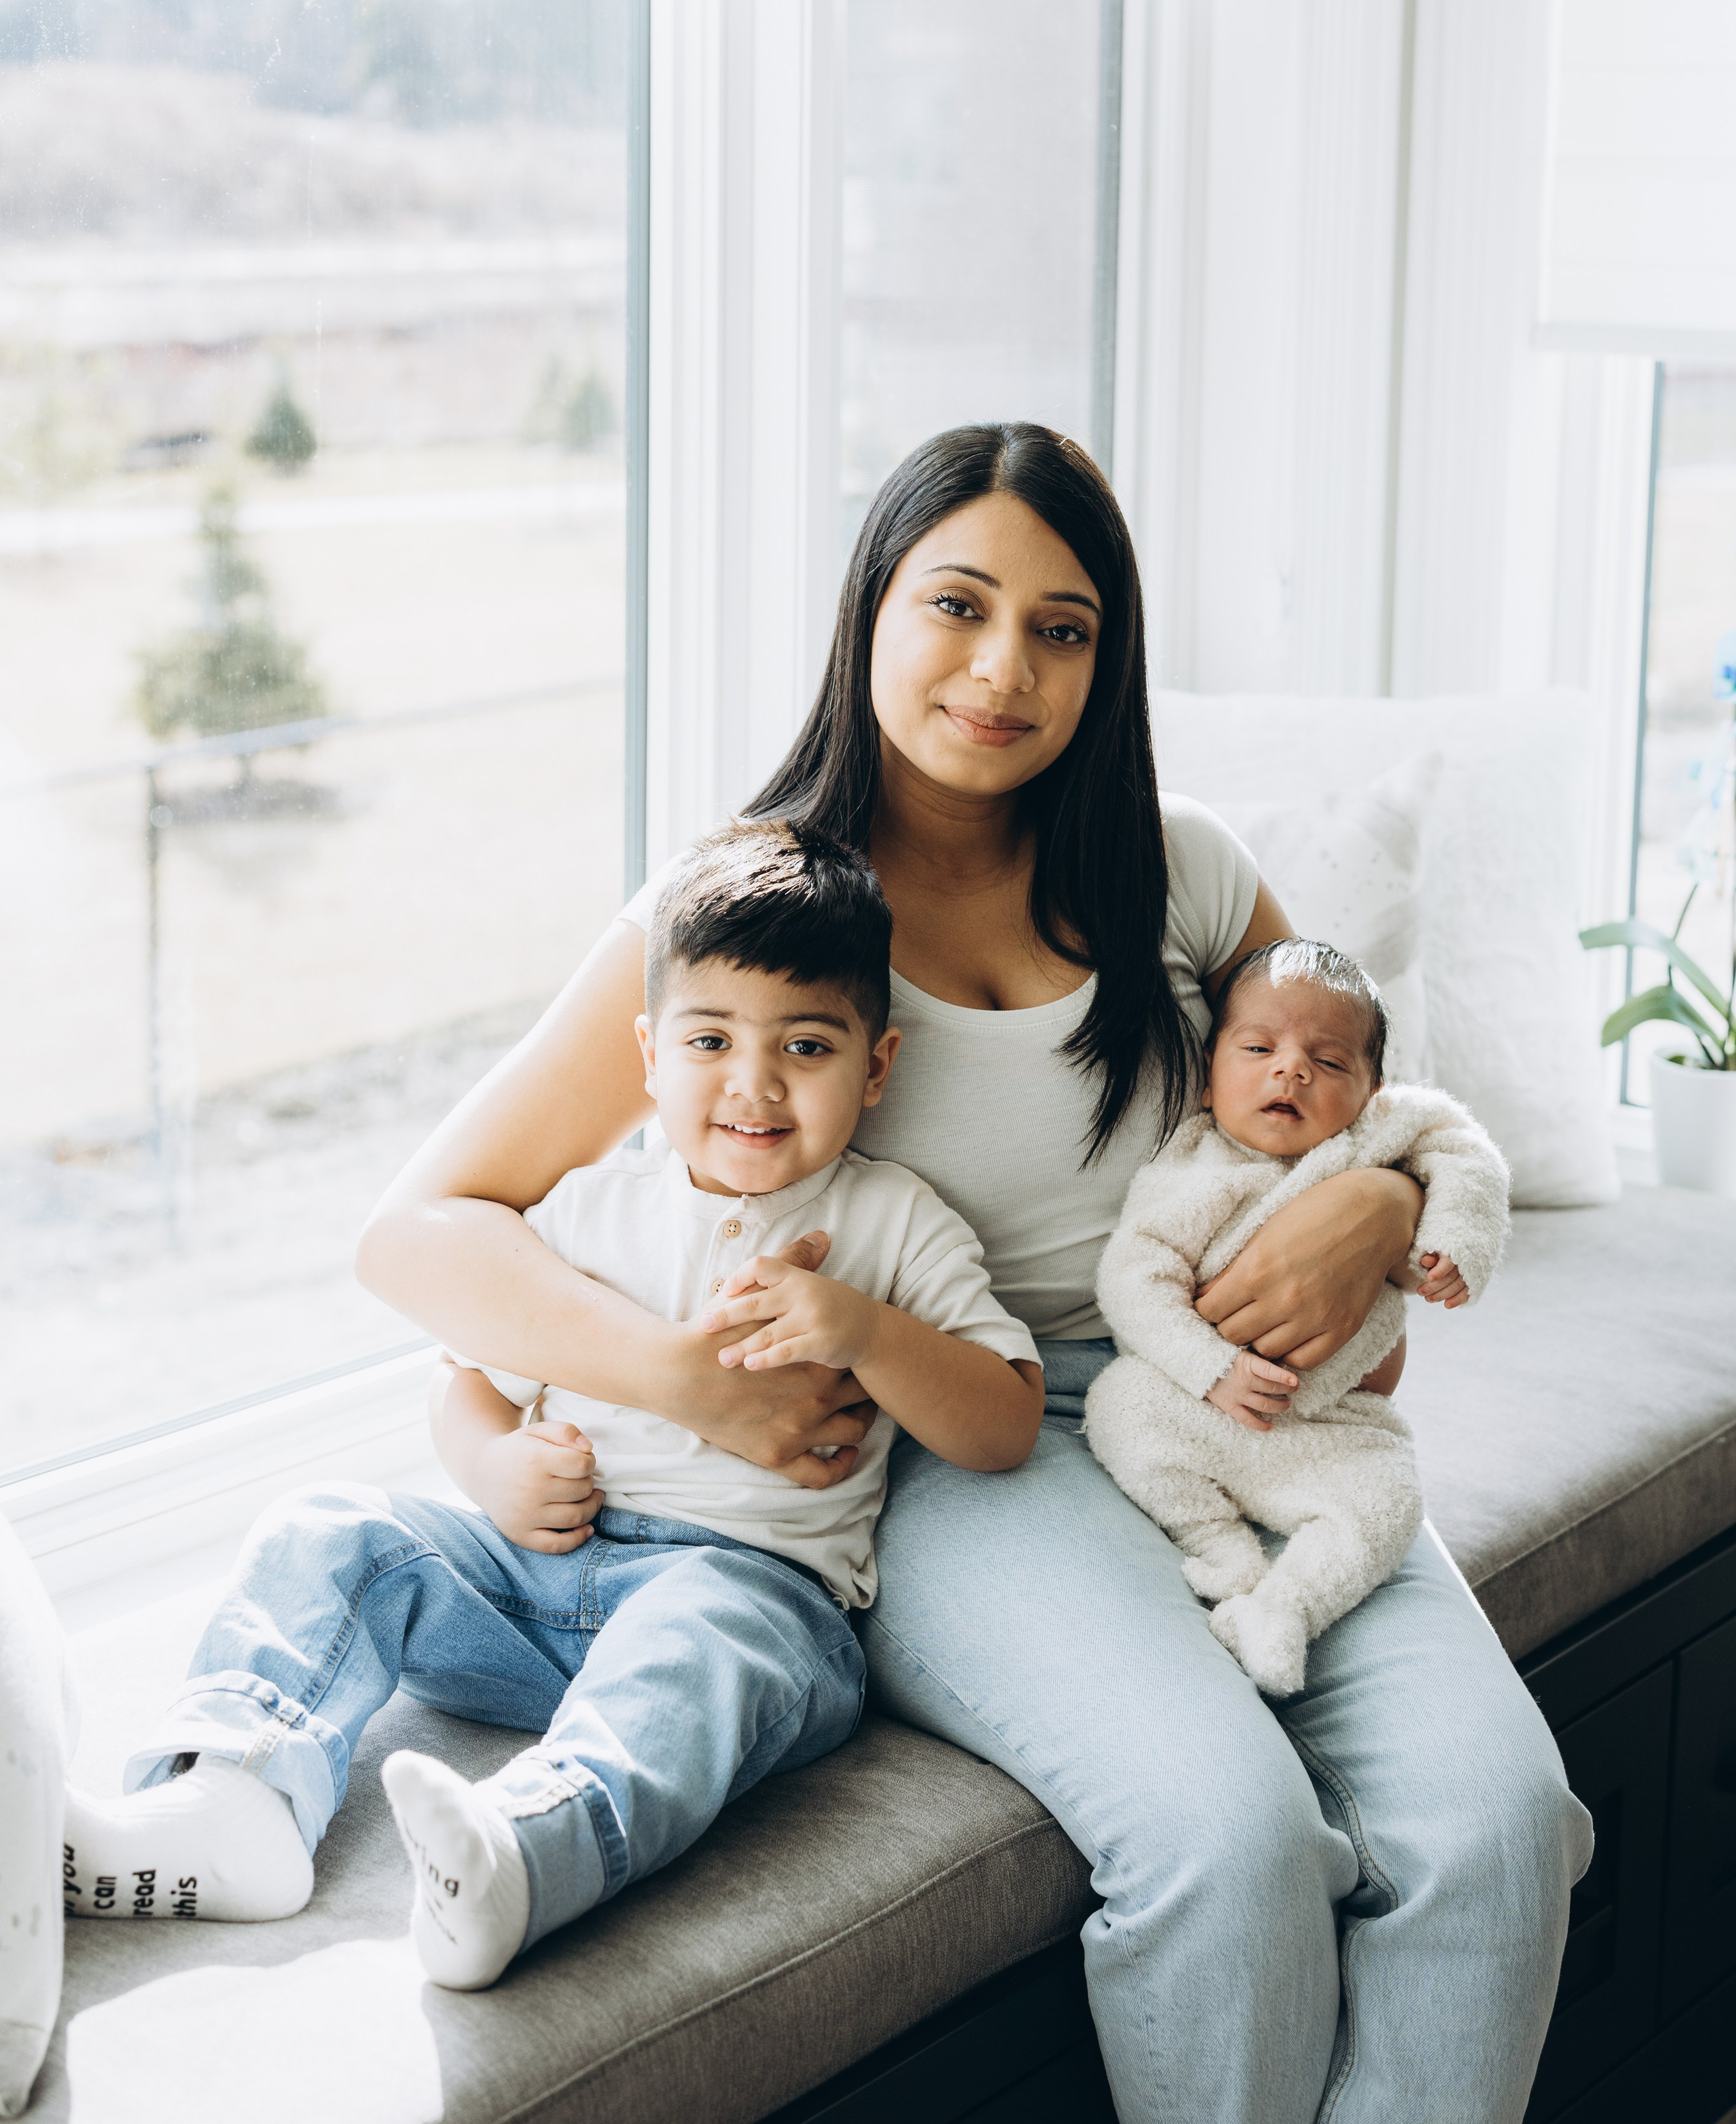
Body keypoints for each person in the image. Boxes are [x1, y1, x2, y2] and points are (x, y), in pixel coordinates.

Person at [355, 422, 1592, 2122]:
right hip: (954, 1450)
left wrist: (1373, 1202)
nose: (1003, 668)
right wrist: (686, 1380)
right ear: (871, 604)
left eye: (1063, 626)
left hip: (1235, 1407)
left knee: (1502, 1824)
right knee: (1224, 1840)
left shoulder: (1183, 864)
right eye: (956, 603)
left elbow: (1362, 1084)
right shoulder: (746, 913)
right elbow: (418, 1232)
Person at [61, 823, 1041, 1990]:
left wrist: (870, 1333)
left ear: (876, 1067)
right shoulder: (588, 1208)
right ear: (649, 1053)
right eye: (711, 1038)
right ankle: (234, 1792)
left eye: (808, 1045)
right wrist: (486, 1470)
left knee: (690, 1653)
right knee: (331, 1527)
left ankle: (522, 1854)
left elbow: (1006, 1422)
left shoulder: (896, 1225)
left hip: (753, 1597)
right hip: (535, 1591)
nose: (754, 1082)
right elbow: (465, 1374)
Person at [1086, 937, 1509, 1697]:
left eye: (1330, 1061)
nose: (1291, 1069)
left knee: (1389, 1498)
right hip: (1199, 1407)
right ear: (1209, 1079)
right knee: (1119, 1405)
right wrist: (1209, 1368)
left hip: (1332, 1425)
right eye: (1257, 1047)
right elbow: (1132, 1279)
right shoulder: (1189, 1167)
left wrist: (1455, 1238)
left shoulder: (1378, 1137)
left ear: (1373, 1089)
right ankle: (1222, 1552)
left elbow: (1465, 1149)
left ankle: (1286, 1607)